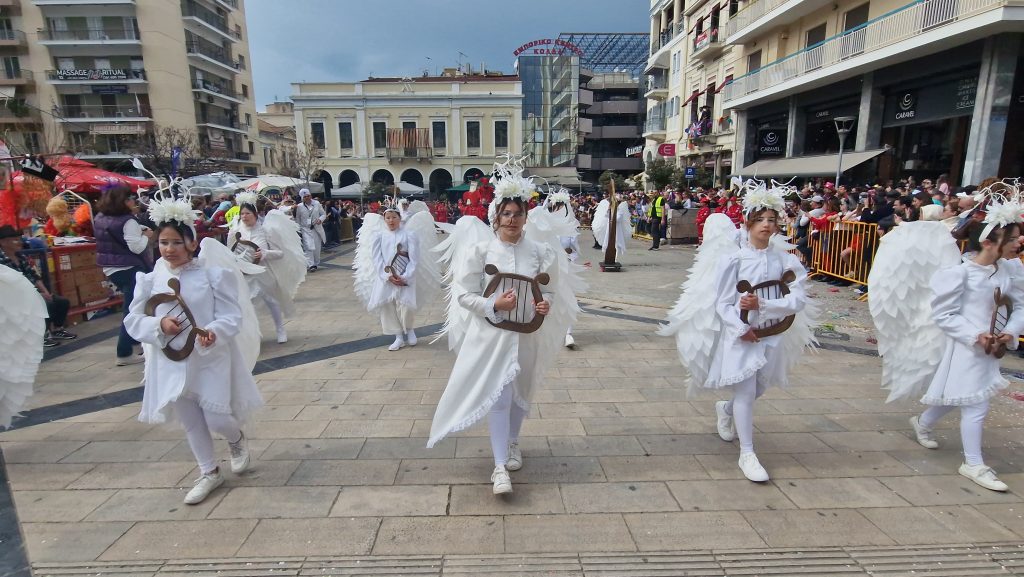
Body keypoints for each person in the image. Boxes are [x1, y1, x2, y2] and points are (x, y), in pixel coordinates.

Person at [429, 156, 579, 495]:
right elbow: (463, 294)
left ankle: (513, 442)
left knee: (518, 393)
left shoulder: (541, 251)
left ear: (526, 217)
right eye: (506, 214)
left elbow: (551, 287)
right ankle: (499, 468)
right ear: (495, 216)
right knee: (498, 395)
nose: (512, 220)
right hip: (490, 335)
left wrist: (546, 303)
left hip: (526, 335)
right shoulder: (480, 250)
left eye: (518, 213)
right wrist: (493, 304)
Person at [870, 189, 1024, 492]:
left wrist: (1011, 331)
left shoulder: (1011, 270)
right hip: (966, 346)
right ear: (989, 242)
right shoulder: (959, 274)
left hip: (994, 347)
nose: (1020, 243)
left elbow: (1019, 304)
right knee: (976, 403)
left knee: (963, 395)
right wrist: (974, 335)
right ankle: (973, 463)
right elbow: (944, 315)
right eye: (1014, 238)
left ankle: (923, 422)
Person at [662, 182, 812, 482]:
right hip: (742, 335)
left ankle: (725, 408)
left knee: (760, 387)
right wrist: (741, 327)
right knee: (746, 390)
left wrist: (765, 305)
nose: (767, 226)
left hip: (772, 333)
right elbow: (723, 302)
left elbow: (798, 298)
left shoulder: (786, 260)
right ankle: (747, 452)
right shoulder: (733, 260)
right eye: (761, 220)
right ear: (748, 223)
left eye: (772, 220)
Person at [124, 190, 263, 505]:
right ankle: (208, 471)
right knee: (190, 420)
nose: (169, 249)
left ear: (191, 242)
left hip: (209, 355)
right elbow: (133, 321)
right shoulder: (149, 279)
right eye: (163, 242)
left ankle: (236, 439)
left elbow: (232, 315)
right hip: (171, 358)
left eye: (175, 242)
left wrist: (213, 331)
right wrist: (158, 325)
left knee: (217, 417)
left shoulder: (213, 275)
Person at [353, 197, 440, 351]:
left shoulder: (409, 235)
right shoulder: (379, 236)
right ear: (384, 219)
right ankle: (397, 336)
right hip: (386, 277)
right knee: (388, 306)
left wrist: (405, 275)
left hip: (405, 276)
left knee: (405, 305)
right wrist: (387, 276)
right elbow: (377, 258)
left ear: (400, 218)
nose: (391, 220)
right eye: (388, 217)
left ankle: (409, 329)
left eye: (394, 217)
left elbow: (414, 259)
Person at [229, 192, 307, 344]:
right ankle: (252, 333)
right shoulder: (235, 231)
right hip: (245, 274)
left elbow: (280, 253)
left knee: (271, 301)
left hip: (263, 273)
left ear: (255, 214)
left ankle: (280, 328)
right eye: (242, 213)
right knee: (246, 304)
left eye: (247, 213)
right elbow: (229, 250)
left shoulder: (265, 230)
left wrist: (265, 253)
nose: (244, 216)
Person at [94, 185, 153, 365]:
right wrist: (147, 236)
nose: (133, 202)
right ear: (123, 201)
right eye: (130, 199)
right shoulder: (128, 221)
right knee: (132, 309)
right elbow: (136, 246)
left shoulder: (100, 218)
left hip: (111, 268)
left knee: (132, 305)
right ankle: (124, 351)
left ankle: (134, 342)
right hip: (129, 267)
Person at [0, 225, 77, 347]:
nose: (19, 242)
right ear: (3, 242)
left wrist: (45, 292)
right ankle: (41, 335)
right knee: (44, 304)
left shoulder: (21, 257)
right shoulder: (1, 261)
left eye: (19, 239)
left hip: (30, 292)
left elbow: (34, 276)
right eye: (15, 239)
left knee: (61, 301)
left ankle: (57, 329)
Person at [294, 189, 326, 271]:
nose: (307, 198)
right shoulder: (299, 207)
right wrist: (298, 229)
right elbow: (298, 219)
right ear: (302, 198)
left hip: (316, 228)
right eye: (305, 197)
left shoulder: (317, 204)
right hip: (305, 229)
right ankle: (311, 264)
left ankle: (316, 263)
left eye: (308, 196)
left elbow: (323, 214)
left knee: (316, 247)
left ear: (310, 196)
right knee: (308, 246)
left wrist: (320, 220)